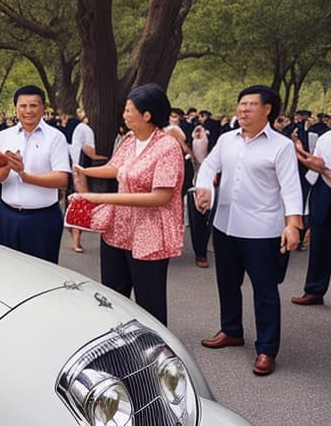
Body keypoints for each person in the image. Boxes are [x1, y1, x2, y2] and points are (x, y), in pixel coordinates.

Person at [195, 85, 303, 377]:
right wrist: (204, 189)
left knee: (265, 292)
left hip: (262, 231)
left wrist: (293, 225)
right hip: (225, 225)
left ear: (267, 109)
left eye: (251, 104)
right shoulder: (227, 139)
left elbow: (291, 189)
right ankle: (231, 331)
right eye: (241, 104)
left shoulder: (280, 146)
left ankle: (267, 348)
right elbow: (208, 167)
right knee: (227, 283)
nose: (243, 109)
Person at [72, 83, 184, 326]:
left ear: (147, 115)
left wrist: (99, 198)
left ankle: (153, 353)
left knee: (149, 302)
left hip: (149, 233)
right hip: (118, 230)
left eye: (128, 110)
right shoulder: (130, 140)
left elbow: (160, 197)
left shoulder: (167, 147)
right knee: (113, 296)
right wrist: (87, 171)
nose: (124, 115)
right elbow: (116, 168)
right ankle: (116, 345)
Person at [0, 85, 70, 263]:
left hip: (42, 219)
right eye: (23, 106)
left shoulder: (55, 138)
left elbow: (62, 179)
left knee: (42, 271)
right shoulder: (3, 136)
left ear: (43, 108)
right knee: (6, 269)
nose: (28, 110)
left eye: (33, 105)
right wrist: (8, 166)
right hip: (6, 215)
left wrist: (24, 175)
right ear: (15, 108)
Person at [291, 130, 331, 305]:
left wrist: (322, 169)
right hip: (323, 193)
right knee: (319, 245)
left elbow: (321, 168)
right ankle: (314, 290)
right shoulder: (325, 138)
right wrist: (303, 156)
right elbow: (315, 168)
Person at [68, 109, 107, 252]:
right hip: (81, 169)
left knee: (77, 202)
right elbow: (89, 150)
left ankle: (74, 235)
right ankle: (76, 241)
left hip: (75, 167)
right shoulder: (86, 129)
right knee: (81, 203)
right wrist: (106, 159)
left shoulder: (77, 128)